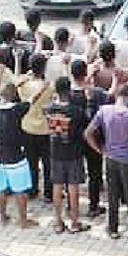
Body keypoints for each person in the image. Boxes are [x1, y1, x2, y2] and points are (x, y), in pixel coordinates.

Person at [85, 85, 128, 240]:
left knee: (113, 194)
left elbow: (88, 133)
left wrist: (99, 150)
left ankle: (113, 228)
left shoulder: (104, 111)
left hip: (111, 158)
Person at [45, 76, 91, 234]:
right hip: (73, 153)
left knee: (57, 187)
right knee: (73, 188)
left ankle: (58, 222)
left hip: (55, 152)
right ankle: (74, 222)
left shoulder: (49, 108)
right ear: (69, 90)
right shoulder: (75, 111)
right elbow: (86, 124)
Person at [0, 84, 38, 228]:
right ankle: (23, 221)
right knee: (20, 190)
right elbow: (32, 99)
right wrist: (43, 87)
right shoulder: (17, 110)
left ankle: (3, 217)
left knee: (0, 189)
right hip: (16, 158)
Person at [72, 59, 112, 217]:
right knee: (94, 173)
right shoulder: (96, 93)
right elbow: (109, 97)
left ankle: (72, 205)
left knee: (73, 173)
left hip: (73, 139)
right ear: (84, 73)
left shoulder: (67, 92)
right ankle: (93, 206)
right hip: (94, 138)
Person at [16, 54, 53, 202]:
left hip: (28, 127)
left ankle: (32, 189)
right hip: (45, 128)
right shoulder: (49, 86)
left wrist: (22, 69)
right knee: (48, 163)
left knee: (31, 162)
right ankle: (49, 193)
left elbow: (16, 79)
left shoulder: (23, 85)